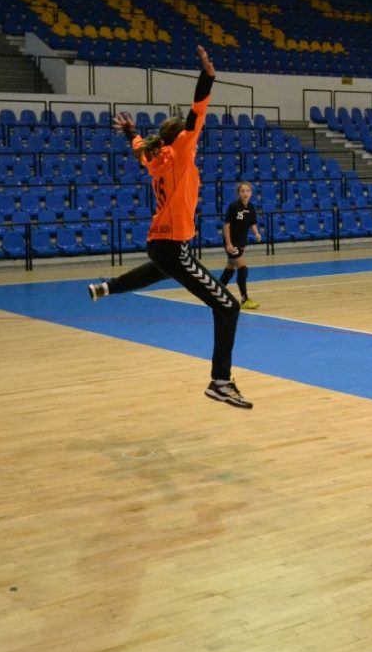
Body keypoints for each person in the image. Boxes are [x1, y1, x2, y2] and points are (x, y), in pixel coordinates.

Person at [87, 46, 251, 409]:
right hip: (173, 245)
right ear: (181, 139)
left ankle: (107, 288)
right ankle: (220, 381)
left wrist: (130, 130)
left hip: (158, 244)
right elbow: (198, 111)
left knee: (160, 271)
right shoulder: (180, 152)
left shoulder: (155, 157)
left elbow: (139, 145)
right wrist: (207, 77)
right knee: (228, 307)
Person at [221, 181, 262, 310]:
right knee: (242, 268)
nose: (245, 193)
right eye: (243, 191)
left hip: (241, 242)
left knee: (230, 269)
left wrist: (256, 233)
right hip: (232, 243)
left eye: (248, 191)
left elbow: (252, 223)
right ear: (239, 193)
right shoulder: (234, 206)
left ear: (251, 193)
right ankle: (244, 299)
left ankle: (214, 293)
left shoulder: (250, 207)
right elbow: (227, 225)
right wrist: (228, 244)